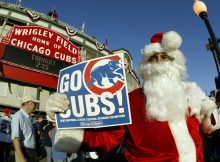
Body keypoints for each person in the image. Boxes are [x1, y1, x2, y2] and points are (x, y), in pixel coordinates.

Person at [46, 31, 219, 162]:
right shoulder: (131, 100)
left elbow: (206, 133)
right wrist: (64, 116)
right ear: (145, 65)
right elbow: (108, 138)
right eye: (153, 58)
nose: (159, 62)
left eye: (165, 57)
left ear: (176, 63)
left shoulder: (191, 97)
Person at [11, 94, 39, 162]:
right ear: (27, 103)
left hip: (31, 152)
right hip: (24, 152)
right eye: (34, 103)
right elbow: (15, 139)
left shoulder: (28, 117)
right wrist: (22, 159)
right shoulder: (18, 116)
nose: (35, 106)